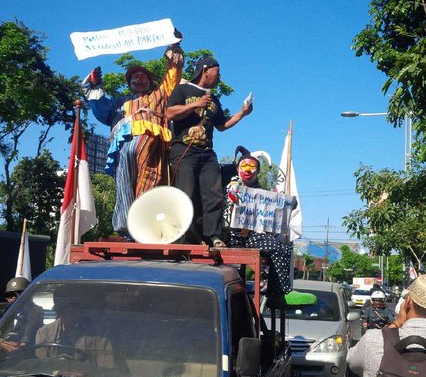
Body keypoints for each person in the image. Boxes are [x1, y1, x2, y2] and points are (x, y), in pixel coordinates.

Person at [82, 39, 184, 236]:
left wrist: (173, 47)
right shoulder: (120, 102)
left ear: (151, 81)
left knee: (150, 183)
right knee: (124, 185)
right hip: (123, 146)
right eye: (134, 77)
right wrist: (95, 85)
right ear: (129, 83)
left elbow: (173, 76)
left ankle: (146, 225)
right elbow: (102, 112)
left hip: (151, 143)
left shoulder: (160, 94)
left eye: (143, 76)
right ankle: (126, 228)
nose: (139, 79)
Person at [166, 56, 253, 247]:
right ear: (205, 70)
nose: (220, 76)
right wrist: (194, 104)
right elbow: (169, 113)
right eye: (217, 71)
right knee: (186, 194)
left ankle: (213, 236)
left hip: (207, 153)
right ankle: (185, 238)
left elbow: (221, 125)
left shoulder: (214, 99)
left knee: (213, 193)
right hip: (184, 151)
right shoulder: (183, 90)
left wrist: (242, 113)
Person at [223, 148, 293, 300]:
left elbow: (271, 219)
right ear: (237, 168)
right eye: (244, 166)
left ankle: (278, 293)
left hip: (252, 237)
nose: (248, 170)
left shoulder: (263, 194)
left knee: (282, 248)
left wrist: (285, 205)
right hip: (228, 236)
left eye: (252, 167)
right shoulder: (228, 187)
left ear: (257, 171)